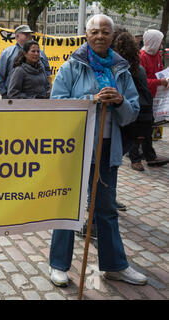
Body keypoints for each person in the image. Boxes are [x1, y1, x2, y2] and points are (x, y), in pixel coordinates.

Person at [48, 14, 147, 287]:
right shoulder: (71, 67)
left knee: (106, 209)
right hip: (76, 150)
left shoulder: (121, 69)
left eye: (105, 32)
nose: (100, 36)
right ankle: (58, 265)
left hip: (107, 150)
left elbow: (131, 114)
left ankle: (114, 265)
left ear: (111, 36)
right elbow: (57, 106)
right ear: (86, 34)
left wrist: (118, 101)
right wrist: (89, 100)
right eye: (95, 31)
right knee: (68, 207)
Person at [135, 29, 169, 168]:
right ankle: (135, 158)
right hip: (141, 97)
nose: (161, 45)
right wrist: (160, 82)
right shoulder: (141, 56)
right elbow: (142, 81)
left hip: (153, 97)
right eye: (160, 42)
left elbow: (158, 74)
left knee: (148, 127)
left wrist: (165, 80)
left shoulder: (156, 55)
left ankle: (149, 156)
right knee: (139, 128)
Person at [0, 25, 51, 99]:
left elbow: (47, 74)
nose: (29, 36)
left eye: (30, 34)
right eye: (26, 34)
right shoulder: (7, 53)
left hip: (40, 101)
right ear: (17, 36)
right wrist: (5, 94)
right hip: (13, 100)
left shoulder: (41, 54)